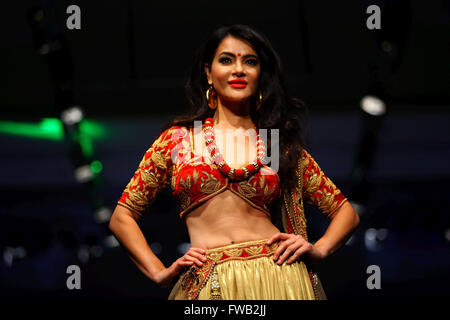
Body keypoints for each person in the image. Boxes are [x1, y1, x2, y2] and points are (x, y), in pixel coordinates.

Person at [109, 24, 359, 300]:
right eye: (226, 60)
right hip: (208, 282)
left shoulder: (274, 145)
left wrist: (320, 248)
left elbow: (346, 212)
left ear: (259, 74)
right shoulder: (178, 141)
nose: (238, 69)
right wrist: (158, 272)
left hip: (279, 279)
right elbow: (122, 217)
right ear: (208, 72)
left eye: (250, 62)